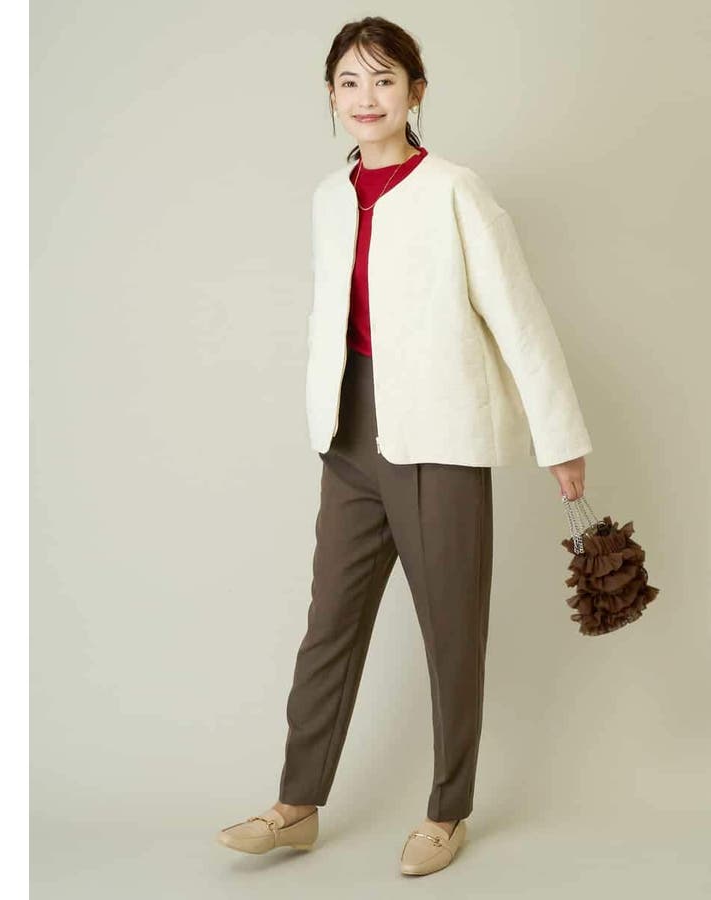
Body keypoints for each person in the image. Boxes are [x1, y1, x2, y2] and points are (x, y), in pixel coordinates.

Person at [218, 15, 592, 877]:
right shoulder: (328, 196)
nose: (366, 97)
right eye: (349, 81)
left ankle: (447, 812)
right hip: (349, 433)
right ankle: (296, 805)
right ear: (330, 95)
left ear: (416, 92)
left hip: (439, 435)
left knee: (451, 633)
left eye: (384, 79)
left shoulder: (456, 190)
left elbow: (518, 317)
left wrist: (559, 438)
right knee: (329, 627)